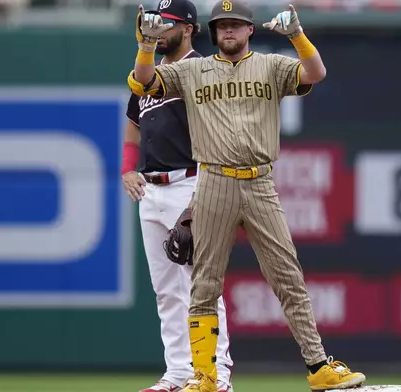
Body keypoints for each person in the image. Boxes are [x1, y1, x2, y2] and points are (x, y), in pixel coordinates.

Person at [127, 1, 367, 391]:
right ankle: (204, 376)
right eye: (223, 26)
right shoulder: (191, 70)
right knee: (203, 283)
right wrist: (147, 45)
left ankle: (319, 366)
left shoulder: (271, 65)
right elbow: (142, 84)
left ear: (250, 30)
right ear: (213, 30)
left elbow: (315, 72)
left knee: (287, 276)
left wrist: (297, 36)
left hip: (259, 182)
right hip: (215, 181)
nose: (229, 32)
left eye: (236, 25)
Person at [121, 1, 233, 392]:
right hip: (150, 189)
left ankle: (217, 377)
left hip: (191, 181)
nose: (158, 31)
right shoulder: (146, 75)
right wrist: (127, 169)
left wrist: (203, 194)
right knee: (167, 290)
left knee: (201, 285)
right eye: (155, 23)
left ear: (187, 28)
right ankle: (180, 373)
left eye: (166, 24)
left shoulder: (204, 71)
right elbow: (133, 128)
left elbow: (219, 137)